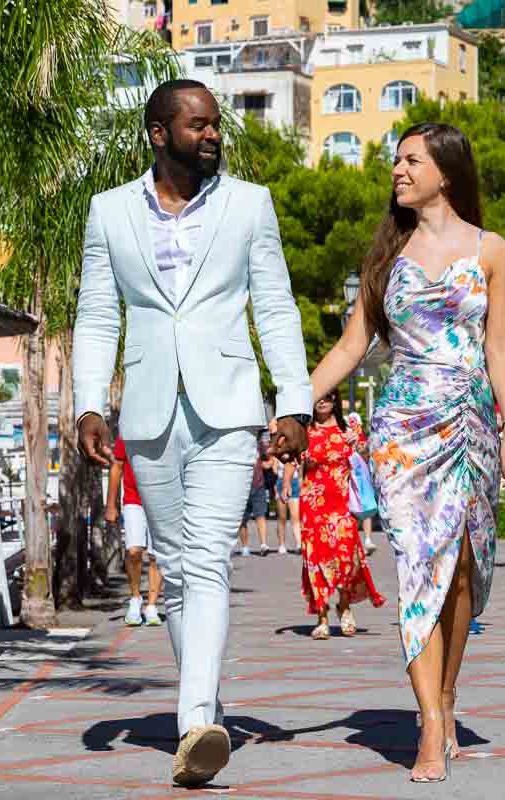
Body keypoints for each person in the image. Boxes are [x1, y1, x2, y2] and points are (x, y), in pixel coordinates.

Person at [74, 80, 312, 788]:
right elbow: (96, 316)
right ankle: (203, 708)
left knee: (206, 559)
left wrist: (291, 400)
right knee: (177, 570)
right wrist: (91, 404)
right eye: (198, 125)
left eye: (216, 125)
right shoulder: (109, 212)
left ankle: (196, 724)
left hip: (229, 408)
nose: (212, 135)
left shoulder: (249, 205)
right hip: (148, 409)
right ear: (159, 133)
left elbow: (274, 305)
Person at [311, 123, 505, 784]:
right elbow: (352, 347)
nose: (398, 171)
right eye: (396, 160)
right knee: (418, 568)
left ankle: (448, 694)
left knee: (462, 569)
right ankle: (430, 722)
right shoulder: (386, 258)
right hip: (402, 429)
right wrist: (290, 402)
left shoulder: (492, 251)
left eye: (411, 160)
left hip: (470, 423)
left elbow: (499, 348)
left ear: (447, 172)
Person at [300, 389, 385, 639]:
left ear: (335, 400)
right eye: (317, 399)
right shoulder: (305, 431)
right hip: (314, 506)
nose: (322, 402)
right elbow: (295, 460)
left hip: (342, 505)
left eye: (327, 397)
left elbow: (367, 457)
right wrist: (285, 485)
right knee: (317, 561)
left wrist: (356, 444)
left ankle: (344, 606)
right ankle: (322, 617)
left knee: (346, 557)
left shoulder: (349, 427)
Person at [106, 434, 163, 626]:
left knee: (156, 555)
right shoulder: (128, 432)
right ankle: (135, 598)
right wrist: (110, 505)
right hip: (133, 500)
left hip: (161, 501)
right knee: (134, 551)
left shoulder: (167, 430)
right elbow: (117, 467)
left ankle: (152, 605)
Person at [346, 411, 377, 555]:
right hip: (356, 479)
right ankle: (363, 540)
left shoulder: (357, 438)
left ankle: (365, 540)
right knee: (361, 507)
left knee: (360, 507)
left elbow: (364, 455)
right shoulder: (354, 437)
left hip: (357, 478)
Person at [238, 433, 271, 556]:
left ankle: (263, 544)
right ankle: (245, 546)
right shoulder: (239, 446)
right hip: (242, 486)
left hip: (258, 485)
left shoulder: (259, 446)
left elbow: (268, 456)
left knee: (260, 515)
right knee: (242, 519)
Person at [275, 456, 302, 554]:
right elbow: (274, 470)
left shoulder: (296, 453)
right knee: (282, 517)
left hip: (295, 482)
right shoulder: (278, 454)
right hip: (280, 482)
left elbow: (300, 469)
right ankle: (281, 544)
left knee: (295, 516)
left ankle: (299, 544)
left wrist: (300, 480)